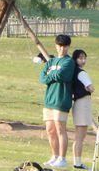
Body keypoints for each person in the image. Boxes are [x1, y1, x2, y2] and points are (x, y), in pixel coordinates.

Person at [39, 34, 77, 169]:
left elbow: (61, 75)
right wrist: (51, 75)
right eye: (60, 46)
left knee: (60, 129)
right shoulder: (51, 61)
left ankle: (62, 158)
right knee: (50, 130)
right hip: (49, 100)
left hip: (61, 100)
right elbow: (42, 78)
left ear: (68, 47)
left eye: (65, 46)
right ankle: (54, 156)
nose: (62, 49)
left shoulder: (69, 62)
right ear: (56, 46)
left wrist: (51, 74)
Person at [69, 49, 96, 170]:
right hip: (83, 104)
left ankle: (77, 162)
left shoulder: (73, 73)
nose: (83, 60)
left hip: (78, 104)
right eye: (80, 58)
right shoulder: (81, 73)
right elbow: (91, 88)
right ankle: (78, 163)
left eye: (84, 58)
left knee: (78, 137)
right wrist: (89, 87)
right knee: (80, 137)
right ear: (75, 59)